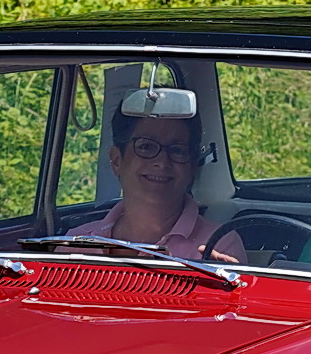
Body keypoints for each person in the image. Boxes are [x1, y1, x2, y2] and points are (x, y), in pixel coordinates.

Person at [69, 109, 246, 263]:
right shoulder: (74, 243)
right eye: (146, 147)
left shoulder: (218, 244)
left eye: (177, 150)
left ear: (191, 166)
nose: (162, 162)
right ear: (116, 160)